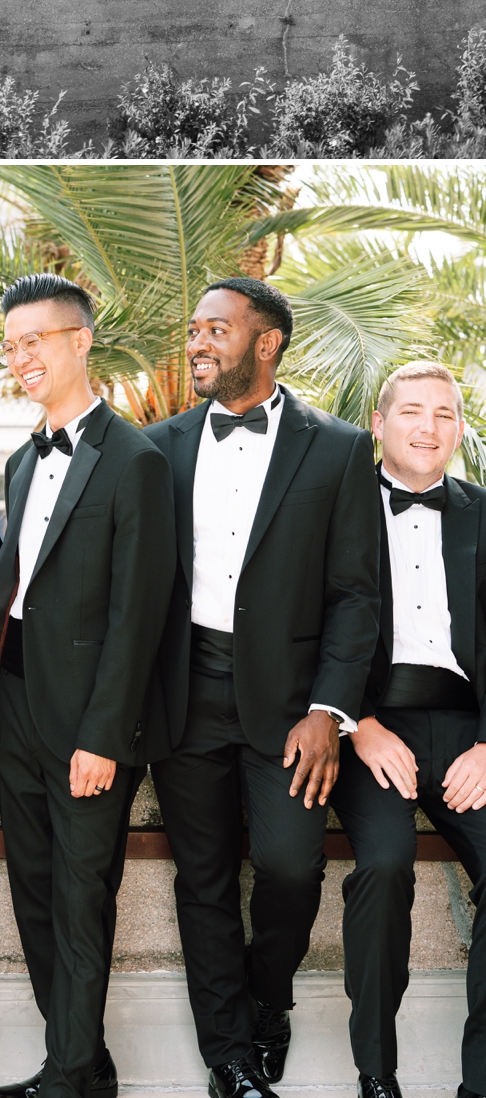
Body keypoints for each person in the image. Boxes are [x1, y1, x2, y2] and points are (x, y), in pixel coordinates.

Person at [145, 279, 380, 1098]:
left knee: (288, 865)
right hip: (181, 693)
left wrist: (329, 709)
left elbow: (357, 591)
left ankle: (268, 1000)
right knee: (201, 877)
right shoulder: (158, 444)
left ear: (268, 341)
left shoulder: (341, 446)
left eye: (217, 327)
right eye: (194, 328)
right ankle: (231, 1058)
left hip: (290, 704)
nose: (198, 341)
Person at [0, 275, 176, 1098]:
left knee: (82, 897)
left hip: (89, 718)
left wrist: (103, 734)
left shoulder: (137, 460)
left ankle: (65, 1081)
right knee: (32, 889)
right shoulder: (23, 459)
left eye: (37, 340)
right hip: (14, 700)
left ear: (80, 340)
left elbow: (138, 617)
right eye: (11, 344)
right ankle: (80, 1062)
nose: (22, 357)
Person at [334, 361, 486, 1098]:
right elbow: (295, 628)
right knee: (386, 866)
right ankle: (377, 1074)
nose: (430, 427)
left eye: (446, 414)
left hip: (467, 727)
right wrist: (357, 724)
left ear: (460, 428)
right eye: (413, 411)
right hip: (368, 726)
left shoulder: (483, 512)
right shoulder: (334, 505)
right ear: (379, 423)